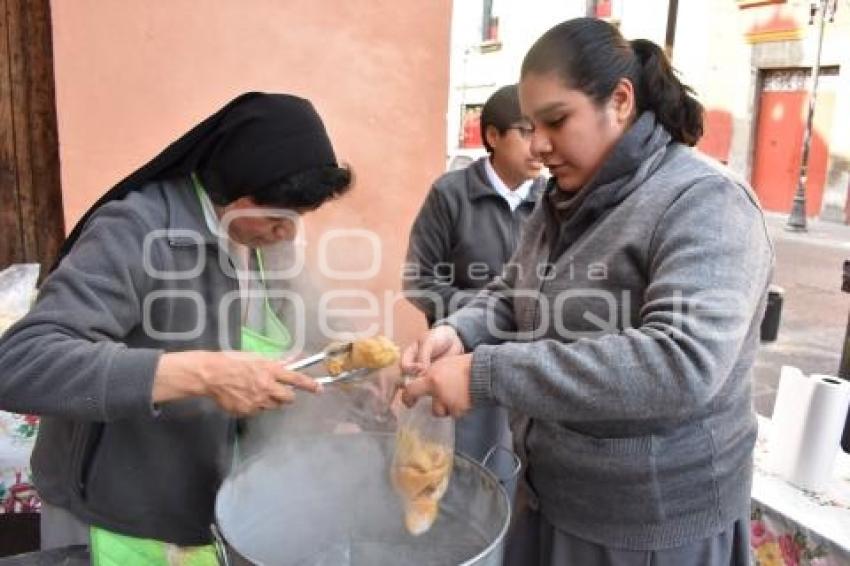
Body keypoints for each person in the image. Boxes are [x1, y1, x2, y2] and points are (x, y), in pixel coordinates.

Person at [401, 18, 773, 566]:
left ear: (620, 101)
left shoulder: (703, 202)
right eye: (531, 126)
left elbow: (680, 363)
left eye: (557, 120)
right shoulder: (561, 200)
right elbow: (513, 294)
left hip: (649, 526)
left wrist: (487, 373)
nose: (541, 145)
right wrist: (458, 332)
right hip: (550, 496)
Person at [0, 92, 352, 563]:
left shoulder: (265, 239)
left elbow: (306, 314)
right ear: (236, 197)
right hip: (117, 510)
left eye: (298, 220)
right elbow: (20, 364)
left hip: (207, 498)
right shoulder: (137, 231)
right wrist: (203, 374)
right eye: (276, 220)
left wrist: (353, 354)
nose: (287, 234)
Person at [404, 84, 545, 464]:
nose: (541, 145)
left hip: (527, 365)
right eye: (527, 130)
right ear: (493, 136)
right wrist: (481, 314)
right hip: (459, 359)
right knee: (458, 468)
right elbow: (419, 281)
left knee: (516, 466)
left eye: (546, 129)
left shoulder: (553, 202)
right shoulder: (451, 195)